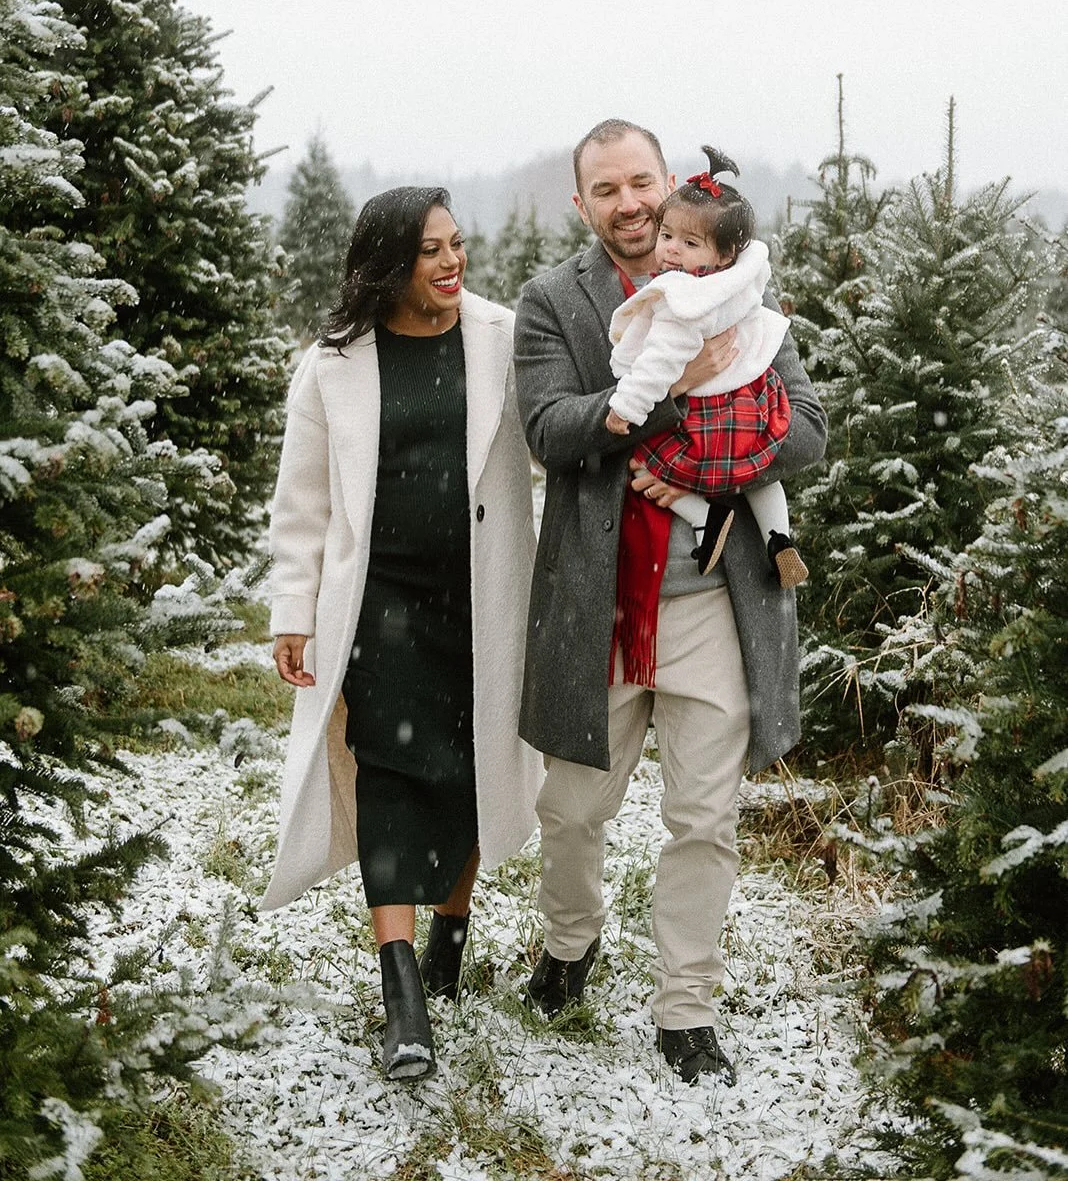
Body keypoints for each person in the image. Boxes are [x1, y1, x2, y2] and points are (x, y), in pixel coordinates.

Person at [513, 120, 827, 1085]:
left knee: (704, 816)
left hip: (710, 605)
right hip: (599, 604)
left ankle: (686, 1007)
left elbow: (809, 430)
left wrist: (713, 463)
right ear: (583, 204)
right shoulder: (552, 301)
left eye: (641, 182)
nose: (631, 204)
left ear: (667, 183)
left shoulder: (733, 283)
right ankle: (571, 942)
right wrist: (677, 390)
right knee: (572, 807)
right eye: (606, 190)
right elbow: (550, 430)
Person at [261, 185, 543, 1083]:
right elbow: (302, 503)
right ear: (390, 264)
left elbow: (553, 444)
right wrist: (293, 611)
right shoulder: (333, 364)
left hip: (480, 600)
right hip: (378, 608)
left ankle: (451, 932)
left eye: (456, 243)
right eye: (430, 250)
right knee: (387, 769)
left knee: (467, 768)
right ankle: (402, 992)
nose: (452, 261)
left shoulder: (500, 339)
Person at [605, 144, 808, 589]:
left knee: (642, 461)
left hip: (703, 419)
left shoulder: (681, 297)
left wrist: (627, 407)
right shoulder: (738, 281)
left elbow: (659, 361)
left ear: (723, 253)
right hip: (752, 403)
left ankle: (704, 515)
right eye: (667, 237)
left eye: (690, 243)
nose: (672, 251)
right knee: (760, 460)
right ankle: (779, 537)